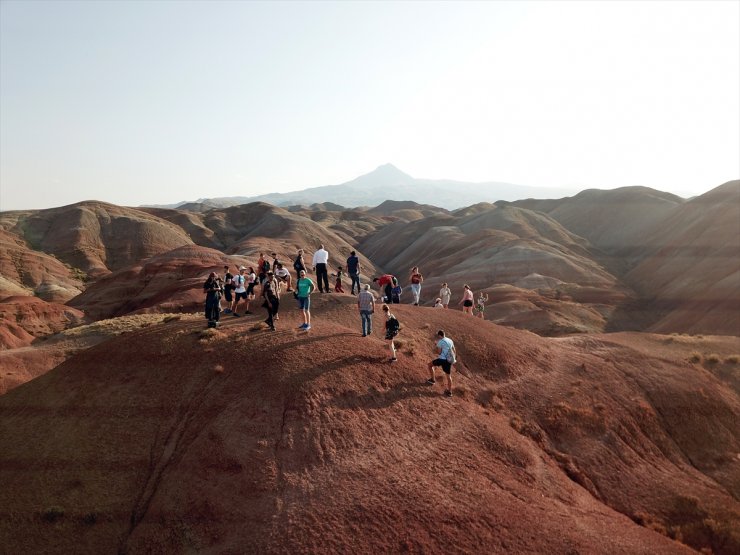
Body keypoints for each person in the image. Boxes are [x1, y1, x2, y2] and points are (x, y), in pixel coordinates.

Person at [427, 330, 456, 397]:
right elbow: (454, 350)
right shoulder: (450, 340)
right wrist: (453, 358)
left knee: (429, 365)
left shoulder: (440, 342)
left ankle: (432, 380)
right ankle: (450, 392)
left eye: (438, 336)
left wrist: (436, 347)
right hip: (449, 360)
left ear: (440, 335)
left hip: (442, 359)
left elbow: (439, 352)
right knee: (448, 376)